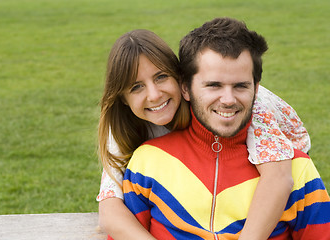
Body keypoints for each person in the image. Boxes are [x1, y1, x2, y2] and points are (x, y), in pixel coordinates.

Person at [122, 18, 330, 239]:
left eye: (241, 86)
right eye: (214, 85)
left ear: (256, 89)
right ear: (185, 87)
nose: (228, 100)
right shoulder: (147, 161)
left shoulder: (297, 170)